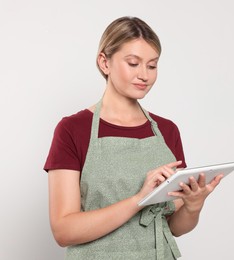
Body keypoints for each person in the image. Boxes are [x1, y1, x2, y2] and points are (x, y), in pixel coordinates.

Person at [44, 16, 223, 259]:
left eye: (152, 65)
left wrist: (193, 206)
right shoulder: (73, 129)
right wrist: (139, 200)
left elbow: (173, 227)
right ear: (104, 62)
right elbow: (64, 230)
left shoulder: (167, 131)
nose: (144, 75)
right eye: (133, 63)